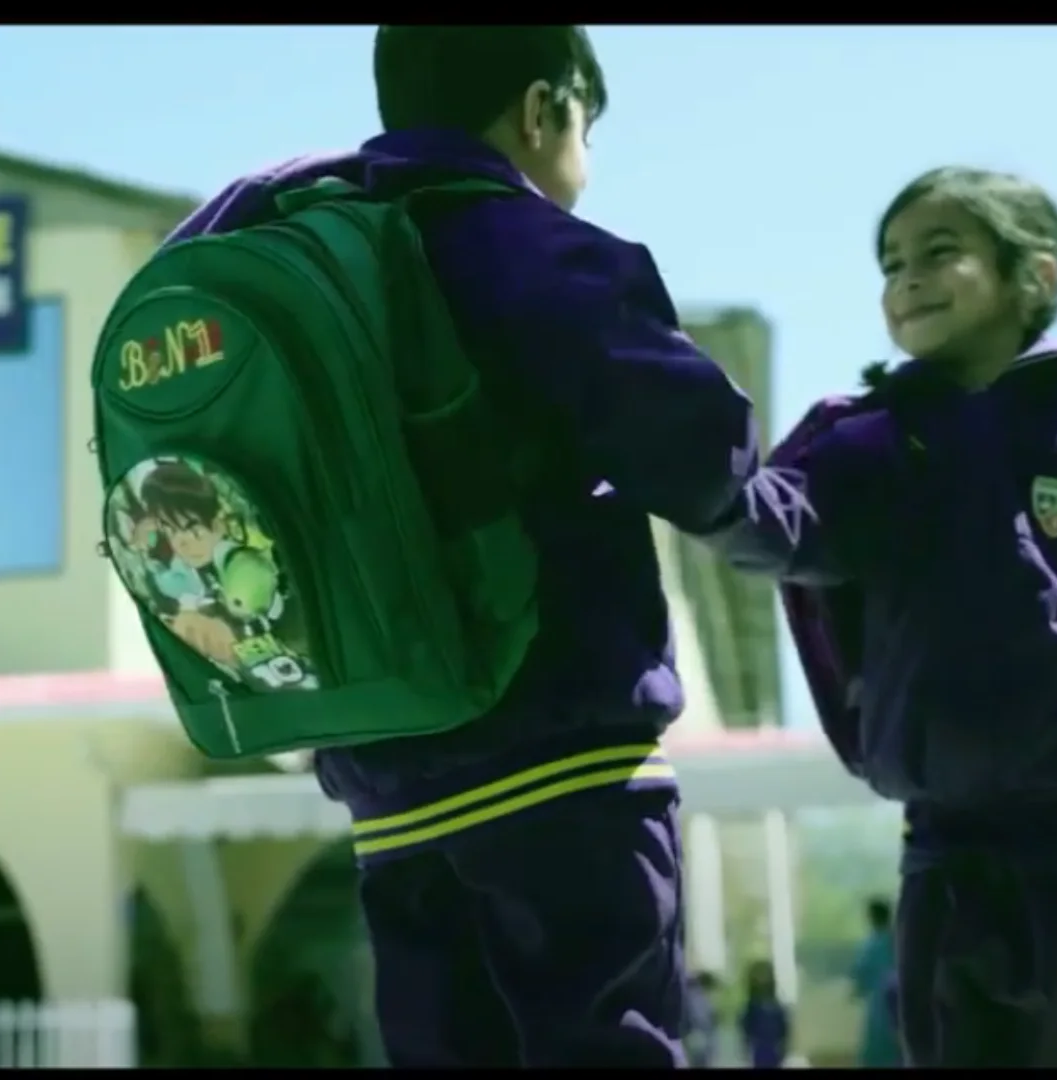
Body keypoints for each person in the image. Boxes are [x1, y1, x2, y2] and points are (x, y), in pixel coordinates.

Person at [154, 26, 759, 1067]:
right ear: (541, 109)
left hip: (386, 784)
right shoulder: (528, 246)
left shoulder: (304, 250)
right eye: (585, 128)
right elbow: (708, 455)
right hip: (560, 767)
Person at [698, 166, 1057, 1067]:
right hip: (945, 850)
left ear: (1033, 276)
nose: (905, 279)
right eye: (890, 264)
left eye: (938, 253)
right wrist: (699, 473)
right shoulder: (866, 442)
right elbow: (777, 526)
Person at [851, 897, 901, 1067]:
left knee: (879, 1039)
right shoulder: (897, 939)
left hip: (879, 1002)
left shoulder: (871, 944)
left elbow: (860, 972)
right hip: (899, 999)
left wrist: (856, 990)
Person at [738, 960, 791, 1069]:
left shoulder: (776, 1005)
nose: (763, 978)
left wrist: (783, 1044)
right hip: (759, 1048)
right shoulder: (752, 1006)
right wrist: (746, 1045)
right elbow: (746, 1027)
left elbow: (784, 1027)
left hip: (774, 1048)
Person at [685, 971, 721, 1067]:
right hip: (698, 1038)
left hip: (696, 1039)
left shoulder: (692, 994)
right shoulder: (697, 997)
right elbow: (701, 1019)